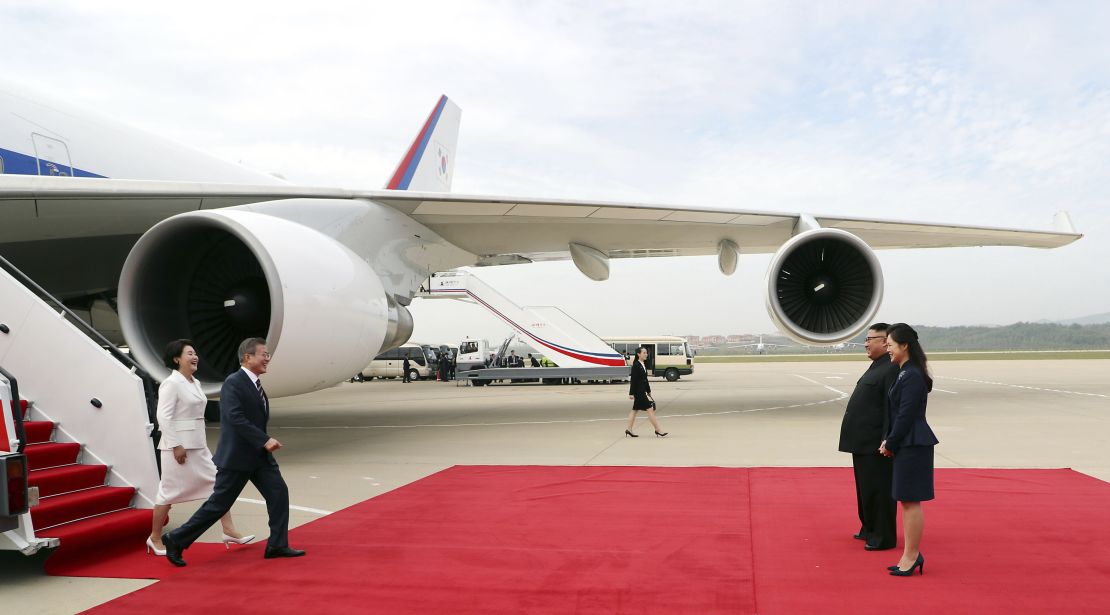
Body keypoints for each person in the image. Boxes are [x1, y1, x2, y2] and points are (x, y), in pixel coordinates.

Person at [162, 338, 306, 566]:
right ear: (248, 357)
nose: (267, 358)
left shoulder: (255, 383)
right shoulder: (234, 382)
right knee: (218, 504)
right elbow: (235, 417)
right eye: (263, 354)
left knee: (279, 494)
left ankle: (277, 544)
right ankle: (176, 538)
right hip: (237, 458)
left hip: (259, 457)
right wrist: (264, 439)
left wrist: (262, 444)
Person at [147, 340, 252, 556]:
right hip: (177, 449)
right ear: (177, 359)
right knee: (168, 494)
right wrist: (176, 445)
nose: (195, 357)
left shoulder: (194, 382)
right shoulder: (171, 384)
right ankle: (155, 538)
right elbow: (163, 418)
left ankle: (228, 529)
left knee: (218, 485)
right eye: (189, 354)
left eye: (195, 353)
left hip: (198, 445)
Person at [880, 323, 939, 577]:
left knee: (911, 501)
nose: (888, 350)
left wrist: (890, 442)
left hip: (914, 443)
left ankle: (912, 555)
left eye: (890, 345)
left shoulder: (912, 375)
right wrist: (890, 440)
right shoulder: (905, 372)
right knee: (906, 501)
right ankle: (909, 554)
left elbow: (905, 415)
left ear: (904, 346)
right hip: (908, 443)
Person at [837, 324, 899, 552]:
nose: (866, 343)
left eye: (870, 339)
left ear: (885, 341)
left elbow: (890, 409)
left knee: (879, 490)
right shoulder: (877, 366)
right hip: (862, 441)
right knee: (865, 489)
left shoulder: (890, 369)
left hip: (876, 443)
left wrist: (887, 439)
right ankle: (869, 527)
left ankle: (882, 536)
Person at [625, 346, 667, 438]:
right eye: (644, 353)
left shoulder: (642, 364)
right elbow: (633, 380)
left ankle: (629, 429)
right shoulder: (636, 365)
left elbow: (645, 379)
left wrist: (648, 390)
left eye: (646, 353)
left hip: (642, 391)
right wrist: (631, 393)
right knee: (650, 409)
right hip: (638, 392)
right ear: (638, 354)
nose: (646, 354)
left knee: (634, 410)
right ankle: (658, 429)